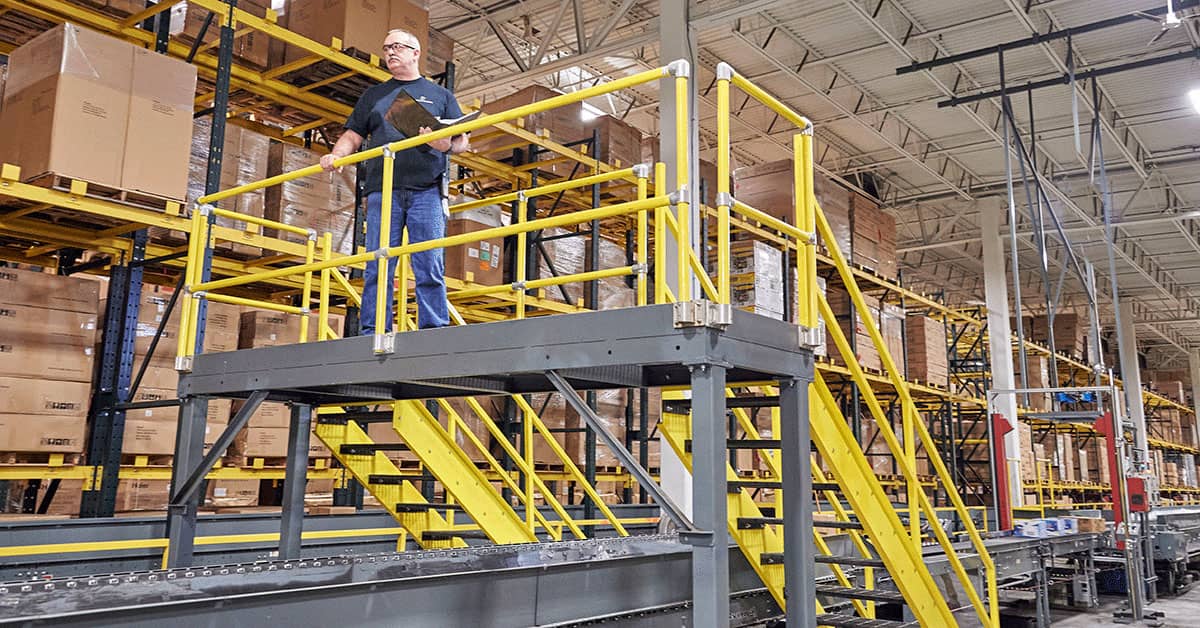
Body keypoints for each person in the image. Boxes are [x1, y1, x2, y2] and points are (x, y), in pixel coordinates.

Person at [320, 28, 469, 333]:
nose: (390, 52)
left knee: (428, 263)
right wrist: (336, 155)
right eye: (386, 48)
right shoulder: (373, 96)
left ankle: (433, 330)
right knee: (378, 263)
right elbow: (353, 134)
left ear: (416, 53)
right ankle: (373, 330)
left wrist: (445, 145)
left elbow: (462, 141)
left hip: (426, 191)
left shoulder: (441, 96)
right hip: (382, 191)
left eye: (398, 47)